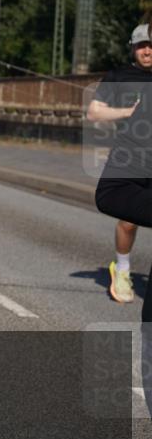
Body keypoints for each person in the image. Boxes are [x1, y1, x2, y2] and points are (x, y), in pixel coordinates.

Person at [88, 22, 152, 304]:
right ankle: (123, 269)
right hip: (131, 160)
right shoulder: (119, 76)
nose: (147, 51)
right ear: (133, 48)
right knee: (128, 221)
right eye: (141, 46)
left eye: (151, 45)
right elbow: (94, 112)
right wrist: (128, 112)